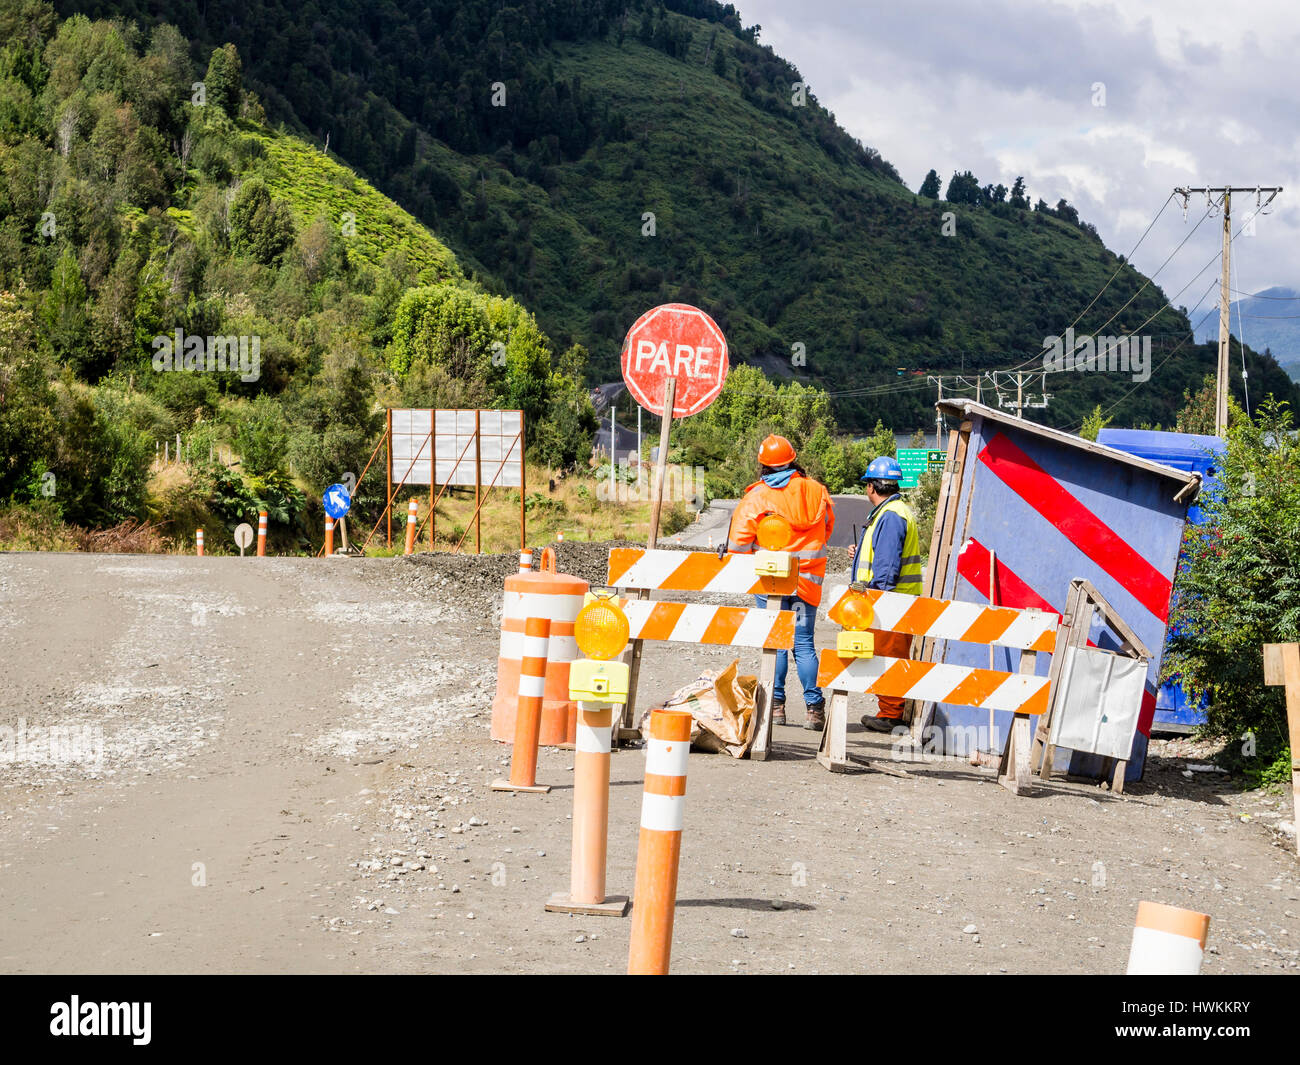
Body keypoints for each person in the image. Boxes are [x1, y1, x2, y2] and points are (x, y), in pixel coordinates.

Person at [725, 435, 835, 730]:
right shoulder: (816, 491)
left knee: (776, 642)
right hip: (807, 580)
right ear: (792, 458)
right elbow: (827, 529)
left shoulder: (757, 496)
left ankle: (776, 707)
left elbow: (737, 544)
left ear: (763, 465)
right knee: (803, 642)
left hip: (772, 582)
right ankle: (814, 709)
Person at [851, 456, 923, 733]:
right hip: (897, 598)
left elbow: (887, 567)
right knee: (886, 655)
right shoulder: (892, 512)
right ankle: (891, 710)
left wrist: (877, 597)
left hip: (891, 602)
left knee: (889, 657)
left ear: (871, 487)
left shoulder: (891, 516)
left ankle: (892, 714)